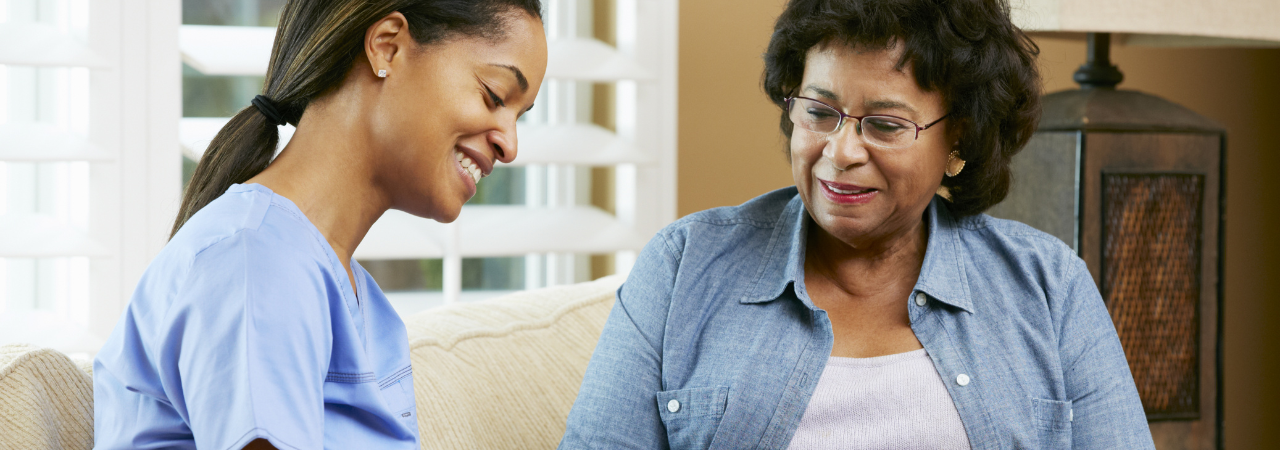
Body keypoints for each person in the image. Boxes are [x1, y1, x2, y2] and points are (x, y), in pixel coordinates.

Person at [559, 0, 1153, 448]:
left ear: (960, 140)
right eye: (820, 112)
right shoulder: (684, 265)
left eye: (886, 125)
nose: (840, 152)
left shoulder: (1048, 287)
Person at [92, 1, 546, 448]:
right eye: (494, 95)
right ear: (388, 47)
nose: (510, 145)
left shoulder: (354, 298)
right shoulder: (257, 264)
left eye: (519, 116)